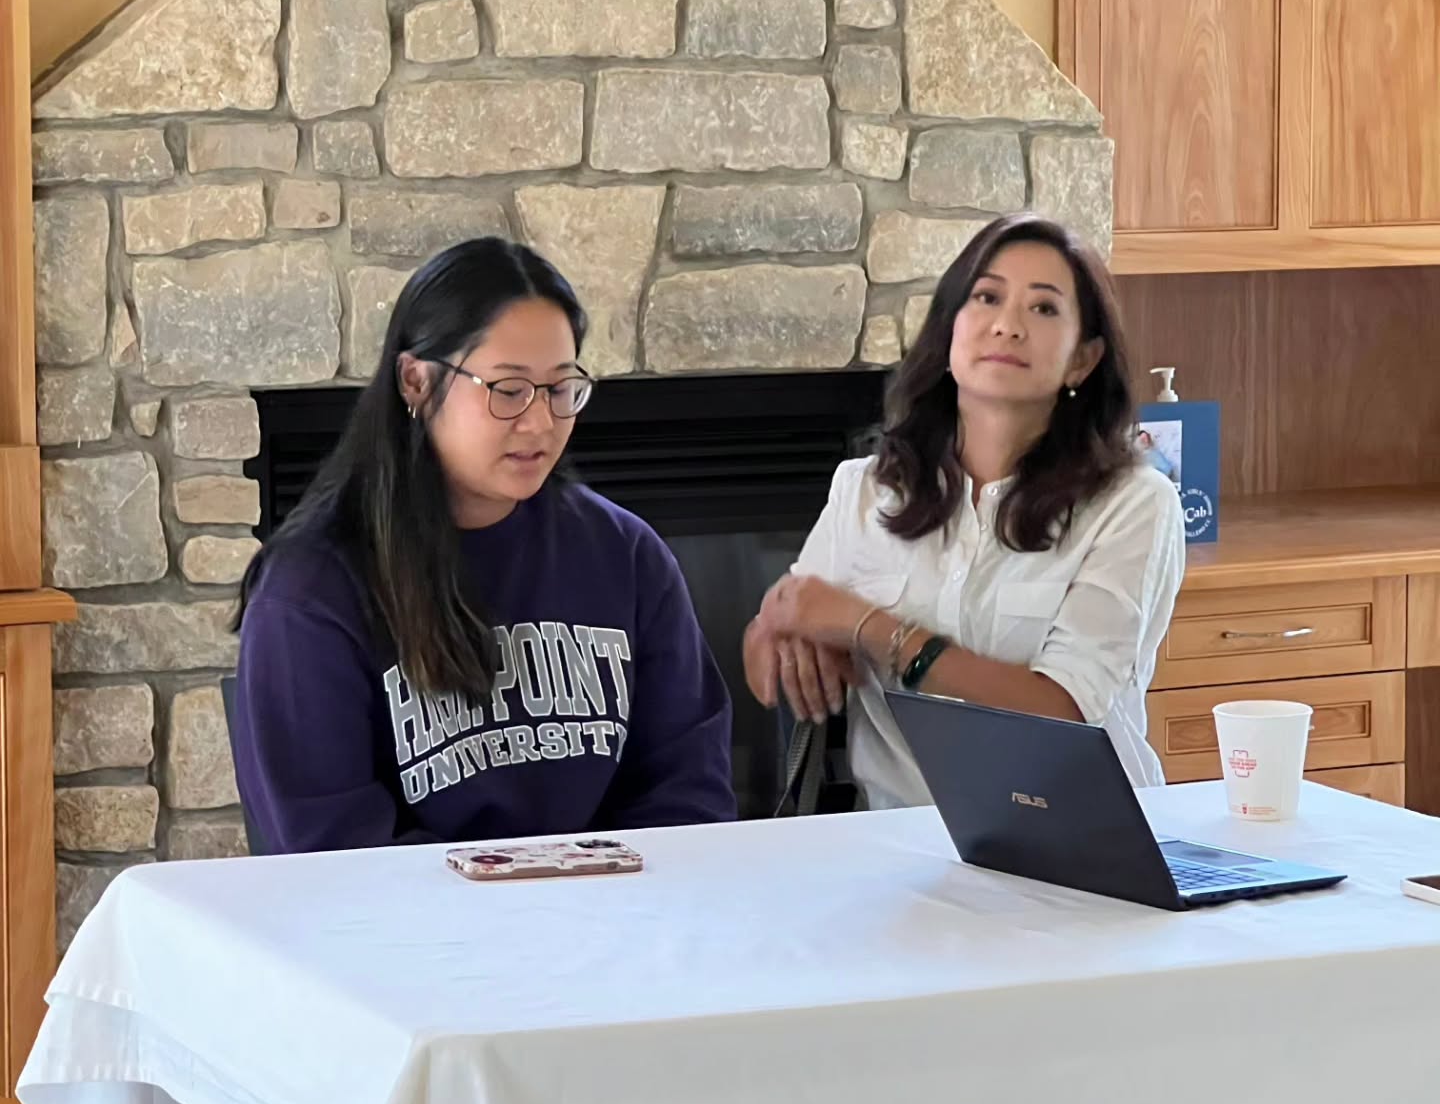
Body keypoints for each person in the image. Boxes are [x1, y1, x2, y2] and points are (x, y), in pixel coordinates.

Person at [232, 237, 736, 853]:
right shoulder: (309, 593)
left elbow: (690, 791)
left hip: (615, 926)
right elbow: (331, 844)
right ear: (416, 381)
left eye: (560, 389)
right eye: (507, 389)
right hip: (407, 939)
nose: (540, 423)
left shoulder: (627, 555)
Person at [744, 212, 1185, 810]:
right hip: (901, 849)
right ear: (950, 328)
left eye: (1044, 308)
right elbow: (771, 656)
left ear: (1083, 360)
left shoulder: (1136, 504)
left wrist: (870, 629)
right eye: (987, 297)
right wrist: (787, 631)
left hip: (1080, 848)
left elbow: (1063, 710)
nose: (1007, 325)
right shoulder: (862, 489)